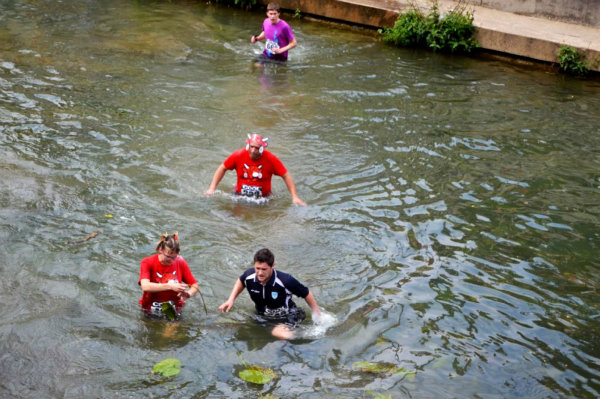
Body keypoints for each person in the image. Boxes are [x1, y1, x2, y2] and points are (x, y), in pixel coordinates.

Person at [219, 248, 321, 339]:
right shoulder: (249, 276)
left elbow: (306, 293)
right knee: (238, 329)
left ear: (272, 266)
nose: (259, 273)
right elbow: (241, 280)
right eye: (257, 268)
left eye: (264, 269)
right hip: (263, 316)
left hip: (288, 314)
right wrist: (231, 299)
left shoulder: (285, 280)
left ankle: (311, 334)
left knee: (279, 333)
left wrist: (316, 313)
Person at [204, 134, 307, 206]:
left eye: (257, 148)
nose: (253, 150)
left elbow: (286, 175)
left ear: (262, 148)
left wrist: (294, 196)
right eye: (252, 147)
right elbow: (222, 168)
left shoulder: (271, 159)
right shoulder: (238, 155)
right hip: (239, 196)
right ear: (248, 145)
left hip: (264, 199)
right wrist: (212, 188)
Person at [138, 232, 199, 319]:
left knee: (171, 330)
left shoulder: (180, 261)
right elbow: (145, 286)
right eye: (168, 256)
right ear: (160, 250)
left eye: (174, 257)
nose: (171, 260)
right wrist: (170, 286)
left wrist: (188, 294)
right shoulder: (147, 262)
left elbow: (195, 285)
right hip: (149, 307)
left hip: (175, 308)